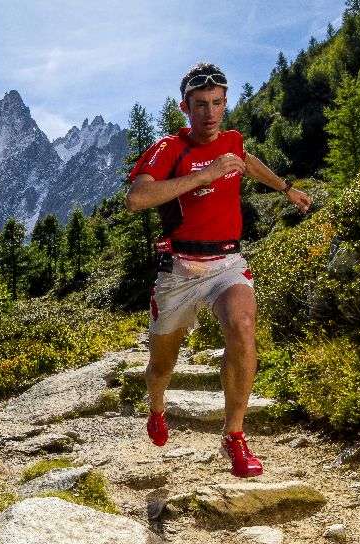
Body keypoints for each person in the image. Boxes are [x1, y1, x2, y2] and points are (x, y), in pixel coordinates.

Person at [125, 62, 312, 477]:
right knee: (161, 367)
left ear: (225, 103)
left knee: (243, 326)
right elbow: (137, 198)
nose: (209, 113)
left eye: (216, 104)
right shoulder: (170, 148)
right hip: (178, 272)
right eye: (199, 105)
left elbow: (245, 160)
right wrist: (207, 174)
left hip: (226, 263)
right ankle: (157, 407)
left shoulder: (232, 140)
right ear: (184, 107)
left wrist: (286, 188)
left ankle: (234, 435)